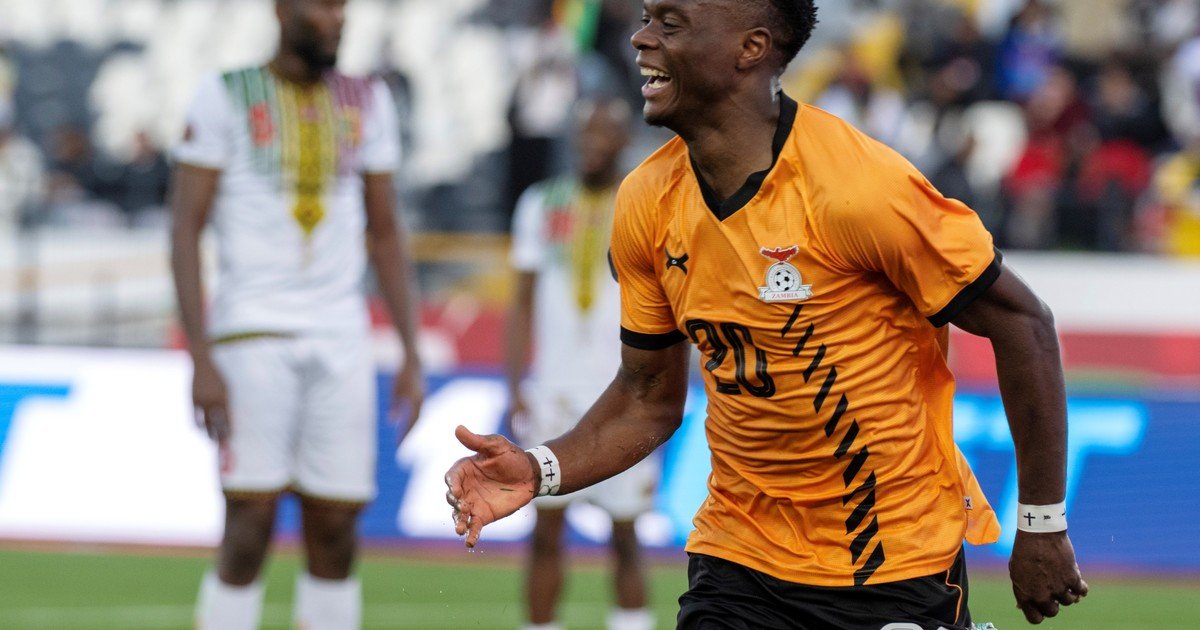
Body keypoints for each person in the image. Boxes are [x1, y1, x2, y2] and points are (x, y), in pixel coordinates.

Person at [446, 1, 1087, 628]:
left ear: (750, 47)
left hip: (889, 565)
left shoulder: (857, 189)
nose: (641, 38)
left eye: (670, 22)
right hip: (738, 564)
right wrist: (539, 468)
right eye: (645, 19)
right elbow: (647, 398)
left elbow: (1022, 321)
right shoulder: (645, 201)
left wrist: (1042, 523)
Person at [170, 1, 423, 628]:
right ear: (283, 10)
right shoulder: (225, 94)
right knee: (249, 520)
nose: (339, 19)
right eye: (324, 5)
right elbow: (184, 229)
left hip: (341, 337)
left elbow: (385, 230)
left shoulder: (369, 100)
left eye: (343, 7)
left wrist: (412, 353)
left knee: (337, 525)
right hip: (250, 333)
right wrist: (200, 358)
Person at [505, 97, 657, 630]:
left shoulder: (645, 204)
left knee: (625, 534)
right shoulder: (541, 203)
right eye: (583, 133)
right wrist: (515, 383)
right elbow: (521, 300)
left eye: (602, 133)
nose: (590, 143)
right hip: (555, 393)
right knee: (545, 532)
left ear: (624, 141)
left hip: (627, 396)